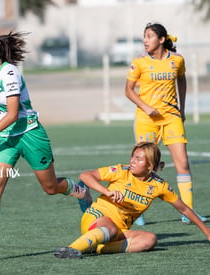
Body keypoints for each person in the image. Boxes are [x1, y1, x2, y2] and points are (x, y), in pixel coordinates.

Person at [0, 28, 88, 261]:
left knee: (50, 187)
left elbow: (11, 115)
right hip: (7, 139)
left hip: (30, 134)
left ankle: (81, 192)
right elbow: (4, 118)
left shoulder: (9, 73)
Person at [54, 142, 210, 259]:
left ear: (150, 166)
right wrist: (106, 192)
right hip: (96, 218)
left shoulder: (159, 186)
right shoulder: (122, 171)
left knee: (149, 240)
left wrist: (207, 232)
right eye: (133, 157)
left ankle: (97, 248)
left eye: (138, 159)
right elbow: (85, 176)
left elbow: (184, 209)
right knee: (111, 228)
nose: (133, 161)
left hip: (119, 231)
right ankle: (71, 249)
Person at [125, 22, 206, 225]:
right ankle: (136, 212)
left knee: (183, 164)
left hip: (171, 118)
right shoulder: (139, 62)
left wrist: (182, 108)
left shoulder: (177, 60)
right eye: (144, 36)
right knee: (143, 167)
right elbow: (128, 91)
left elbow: (182, 81)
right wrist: (145, 107)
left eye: (149, 36)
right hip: (147, 120)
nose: (145, 40)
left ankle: (189, 213)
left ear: (161, 40)